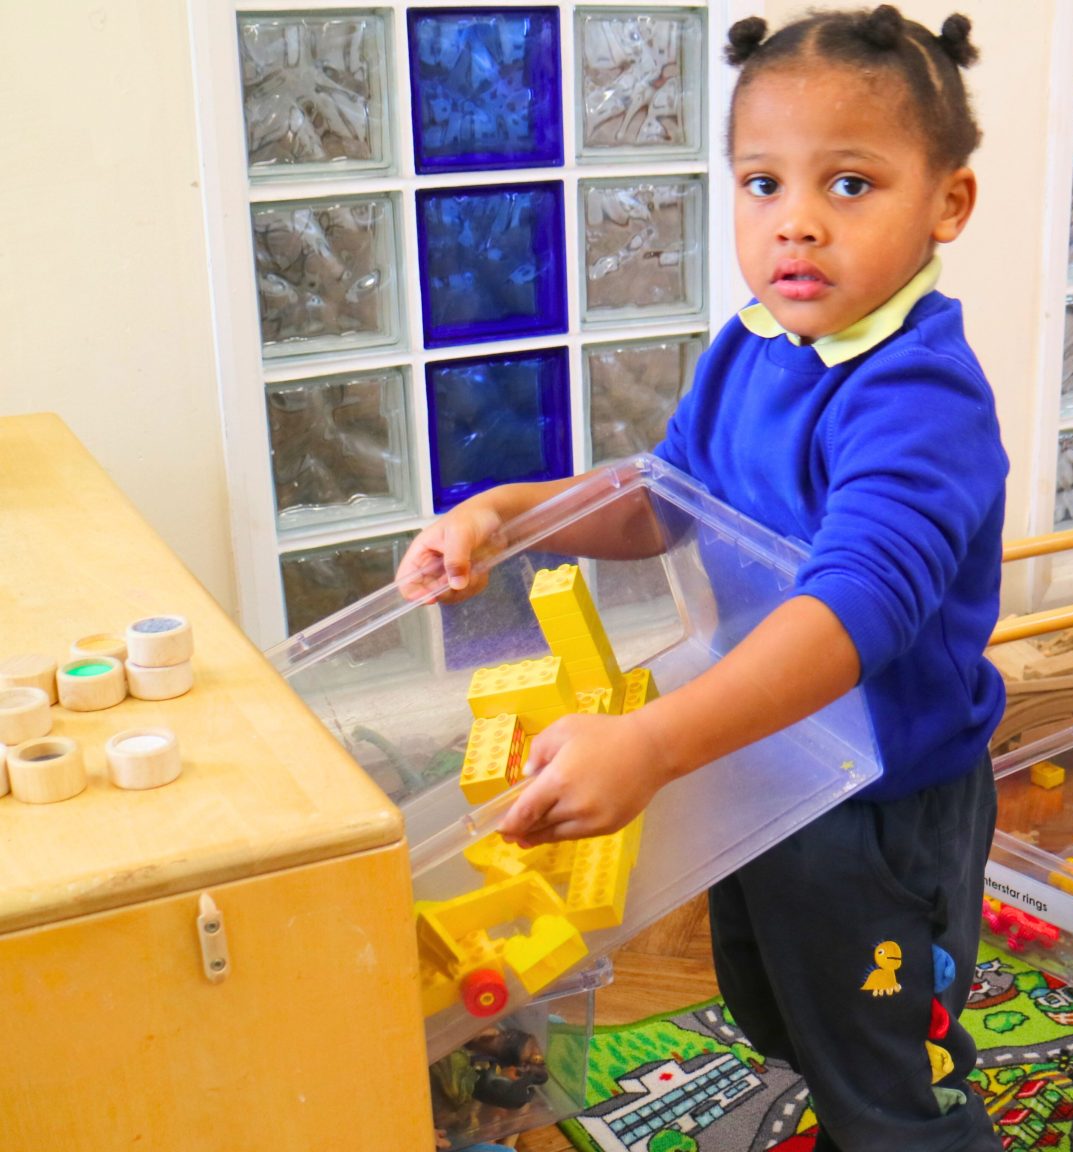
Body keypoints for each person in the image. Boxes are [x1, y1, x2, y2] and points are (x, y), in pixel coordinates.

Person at [399, 8, 1005, 1148]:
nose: (797, 223)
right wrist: (513, 514)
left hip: (879, 803)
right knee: (784, 1006)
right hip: (760, 757)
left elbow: (857, 608)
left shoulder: (918, 398)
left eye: (851, 185)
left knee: (891, 1068)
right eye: (763, 184)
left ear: (948, 203)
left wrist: (652, 743)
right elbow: (662, 498)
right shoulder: (754, 345)